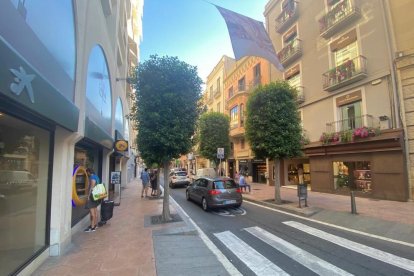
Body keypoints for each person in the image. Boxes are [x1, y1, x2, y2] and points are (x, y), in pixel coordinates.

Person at [85, 168, 100, 232]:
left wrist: (88, 196)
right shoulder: (96, 176)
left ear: (89, 172)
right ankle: (95, 225)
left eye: (87, 172)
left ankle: (92, 227)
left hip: (92, 196)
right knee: (95, 210)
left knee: (92, 212)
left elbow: (92, 187)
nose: (87, 174)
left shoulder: (92, 177)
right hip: (97, 196)